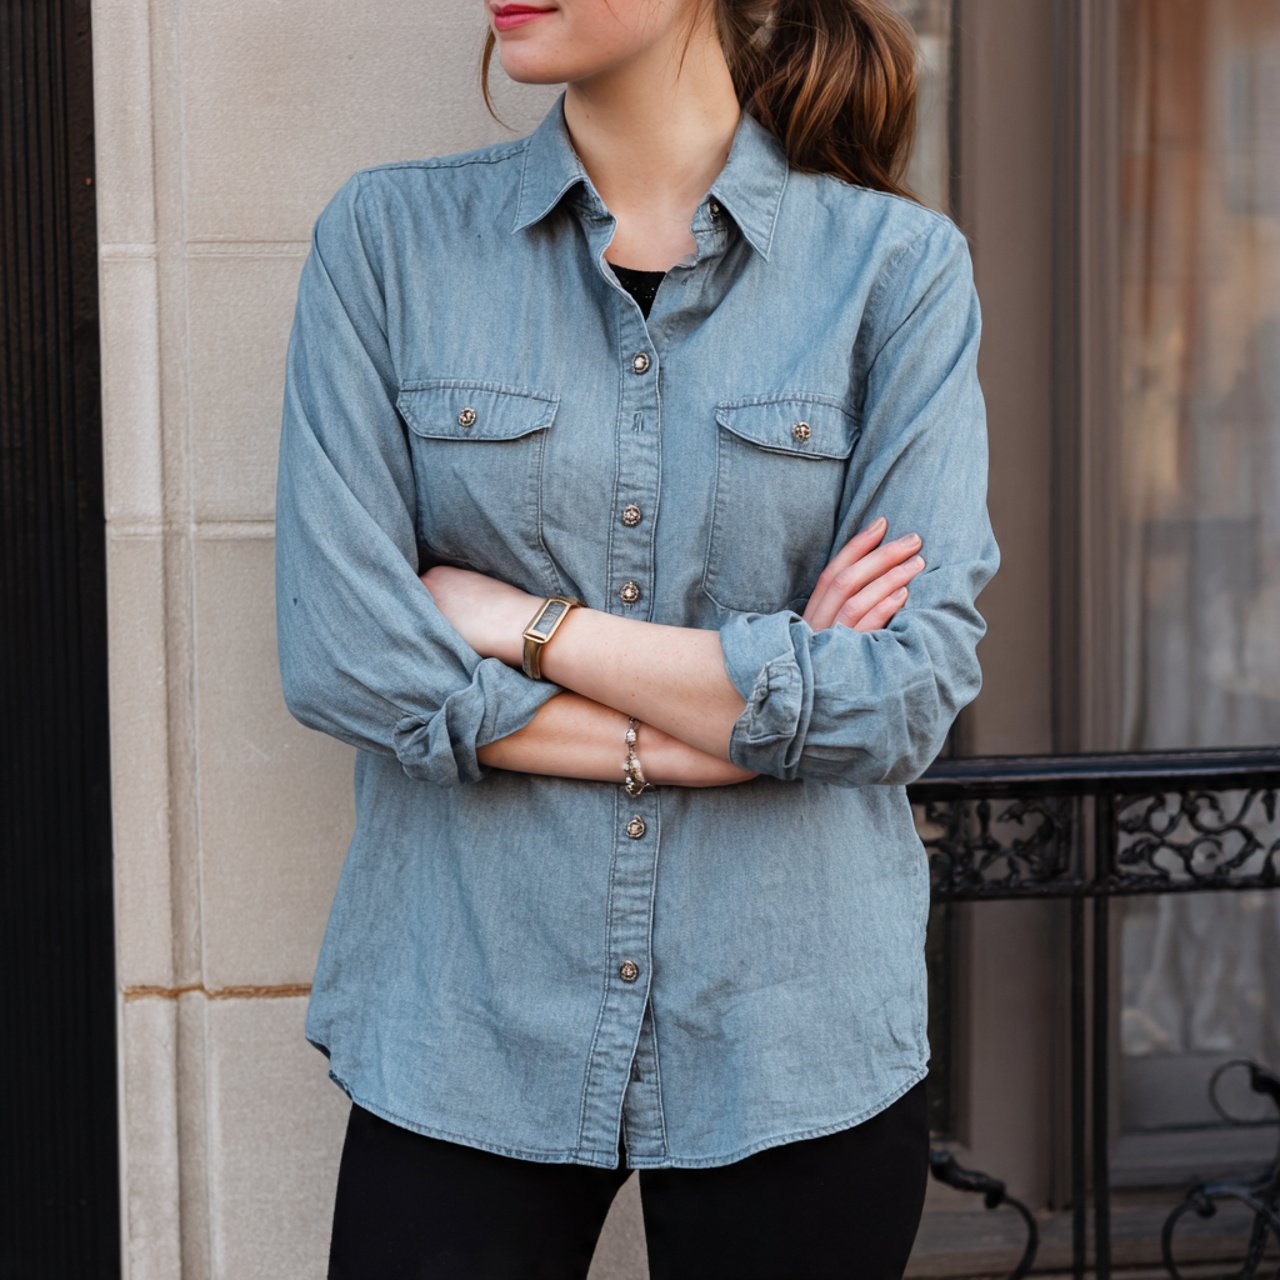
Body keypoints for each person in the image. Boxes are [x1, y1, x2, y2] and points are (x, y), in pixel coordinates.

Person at [273, 0, 1000, 1275]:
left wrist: (521, 624)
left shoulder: (895, 269)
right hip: (465, 1016)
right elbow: (345, 647)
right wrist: (732, 733)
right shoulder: (387, 242)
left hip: (793, 1036)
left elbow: (899, 692)